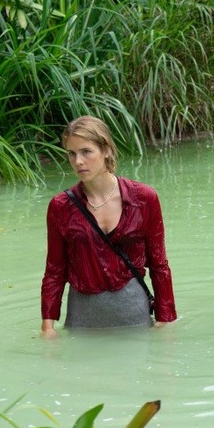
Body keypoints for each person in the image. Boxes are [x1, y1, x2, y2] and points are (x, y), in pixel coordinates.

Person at [40, 116, 176, 337]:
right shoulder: (60, 206)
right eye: (72, 154)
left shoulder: (144, 198)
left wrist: (165, 320)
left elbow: (159, 264)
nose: (78, 161)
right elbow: (54, 271)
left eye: (86, 151)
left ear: (106, 150)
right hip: (82, 316)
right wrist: (47, 328)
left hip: (133, 312)